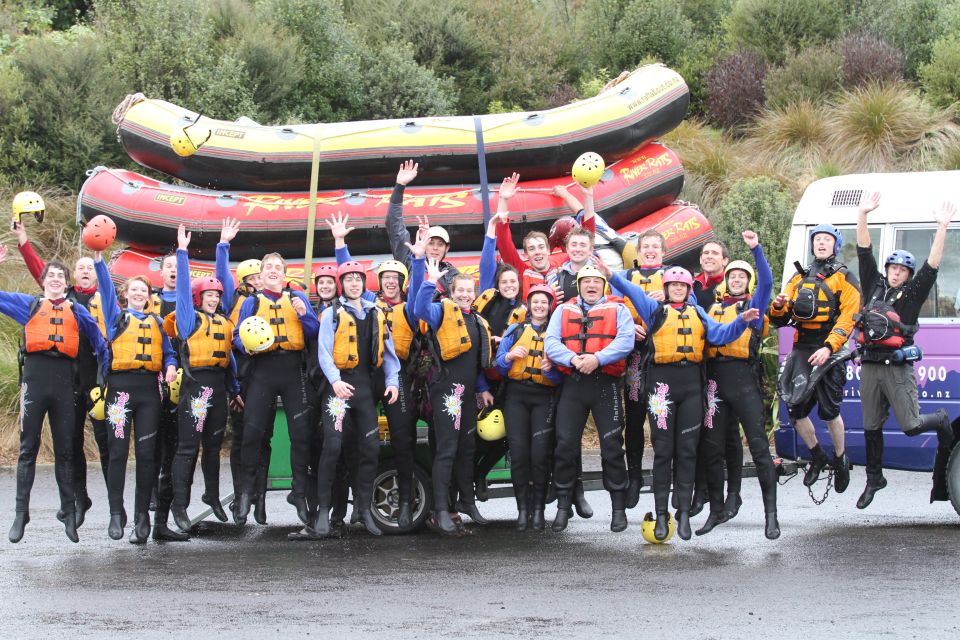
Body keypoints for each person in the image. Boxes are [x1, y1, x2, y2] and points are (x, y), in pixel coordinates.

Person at [607, 261, 758, 541]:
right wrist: (610, 275)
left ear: (688, 289)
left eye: (682, 285)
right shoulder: (654, 311)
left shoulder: (699, 313)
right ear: (665, 288)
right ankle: (661, 515)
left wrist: (742, 320)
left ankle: (685, 514)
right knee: (663, 451)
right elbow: (630, 289)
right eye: (673, 285)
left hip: (691, 387)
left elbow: (722, 334)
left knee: (687, 450)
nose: (677, 289)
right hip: (661, 388)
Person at [854, 193, 956, 508]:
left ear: (908, 275)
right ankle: (874, 479)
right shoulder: (873, 284)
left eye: (902, 270)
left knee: (911, 425)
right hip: (869, 366)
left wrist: (942, 227)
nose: (896, 272)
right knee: (870, 426)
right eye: (893, 268)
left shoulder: (912, 296)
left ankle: (939, 418)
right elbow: (863, 250)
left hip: (896, 368)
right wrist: (862, 214)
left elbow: (932, 266)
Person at [328, 212, 428, 531]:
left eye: (395, 278)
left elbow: (422, 289)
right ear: (379, 282)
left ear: (400, 282)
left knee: (402, 440)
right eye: (385, 278)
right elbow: (349, 277)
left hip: (396, 378)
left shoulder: (409, 307)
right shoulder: (369, 303)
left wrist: (421, 258)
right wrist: (341, 243)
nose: (389, 282)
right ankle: (357, 507)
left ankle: (402, 505)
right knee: (358, 441)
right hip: (366, 379)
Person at [0, 246, 107, 543]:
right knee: (28, 449)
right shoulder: (30, 306)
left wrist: (102, 378)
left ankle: (69, 514)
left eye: (61, 275)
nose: (56, 278)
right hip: (35, 381)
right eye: (52, 275)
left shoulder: (78, 310)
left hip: (64, 384)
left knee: (65, 451)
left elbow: (100, 343)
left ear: (66, 282)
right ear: (44, 281)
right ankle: (21, 514)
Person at [296, 260, 401, 539]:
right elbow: (323, 353)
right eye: (349, 279)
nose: (354, 283)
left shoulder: (377, 313)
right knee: (333, 447)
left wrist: (392, 383)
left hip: (365, 391)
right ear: (342, 284)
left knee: (370, 449)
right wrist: (335, 381)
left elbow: (389, 356)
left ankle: (364, 511)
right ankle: (322, 514)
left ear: (364, 284)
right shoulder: (331, 314)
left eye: (358, 279)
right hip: (339, 391)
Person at [94, 252, 179, 543]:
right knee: (117, 452)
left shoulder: (157, 323)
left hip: (148, 394)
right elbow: (105, 289)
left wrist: (170, 365)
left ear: (149, 296)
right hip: (119, 390)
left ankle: (142, 518)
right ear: (125, 295)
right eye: (134, 290)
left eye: (144, 291)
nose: (139, 294)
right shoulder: (116, 317)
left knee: (146, 456)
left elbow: (169, 352)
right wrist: (98, 261)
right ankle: (116, 513)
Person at [699, 231, 779, 539]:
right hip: (715, 384)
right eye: (731, 276)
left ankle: (770, 516)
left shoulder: (754, 309)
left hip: (744, 382)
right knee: (713, 447)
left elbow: (768, 282)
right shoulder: (713, 310)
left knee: (759, 448)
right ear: (725, 281)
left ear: (747, 283)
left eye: (741, 277)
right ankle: (716, 509)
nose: (735, 280)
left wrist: (756, 249)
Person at [771, 223, 861, 496]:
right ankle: (817, 455)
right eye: (817, 240)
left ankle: (841, 457)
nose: (821, 244)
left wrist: (829, 347)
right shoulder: (798, 278)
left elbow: (849, 318)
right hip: (802, 349)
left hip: (829, 352)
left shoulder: (844, 277)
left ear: (835, 244)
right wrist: (778, 306)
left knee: (829, 411)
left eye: (826, 240)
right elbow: (780, 319)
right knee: (794, 409)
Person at [232, 252, 320, 525]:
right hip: (263, 370)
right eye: (267, 267)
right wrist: (244, 345)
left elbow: (314, 331)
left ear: (284, 273)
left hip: (293, 370)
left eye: (277, 268)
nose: (272, 271)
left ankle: (300, 492)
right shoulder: (251, 302)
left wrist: (305, 315)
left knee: (301, 435)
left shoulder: (297, 299)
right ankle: (246, 493)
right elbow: (237, 335)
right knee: (253, 434)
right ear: (261, 274)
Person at [544, 265, 633, 533]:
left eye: (597, 281)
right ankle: (562, 507)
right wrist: (573, 359)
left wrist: (597, 359)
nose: (591, 285)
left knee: (612, 447)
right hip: (574, 383)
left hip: (605, 383)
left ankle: (618, 509)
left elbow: (626, 341)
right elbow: (551, 342)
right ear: (579, 285)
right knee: (565, 447)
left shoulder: (619, 309)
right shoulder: (563, 310)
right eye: (587, 282)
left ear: (603, 285)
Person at [167, 225, 242, 535]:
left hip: (218, 388)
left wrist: (234, 390)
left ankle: (211, 494)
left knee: (213, 446)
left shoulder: (224, 321)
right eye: (208, 295)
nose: (213, 299)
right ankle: (179, 505)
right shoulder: (188, 318)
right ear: (200, 298)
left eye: (216, 295)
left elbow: (229, 360)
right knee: (189, 448)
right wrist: (182, 253)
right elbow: (183, 290)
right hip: (196, 389)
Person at [413, 258, 495, 535]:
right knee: (447, 450)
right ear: (451, 292)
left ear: (474, 293)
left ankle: (467, 502)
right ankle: (440, 510)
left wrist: (482, 388)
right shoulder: (441, 312)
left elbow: (474, 361)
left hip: (468, 392)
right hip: (447, 391)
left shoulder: (476, 320)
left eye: (468, 291)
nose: (464, 295)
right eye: (459, 290)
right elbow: (419, 309)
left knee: (467, 449)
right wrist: (429, 281)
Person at [495, 284, 562, 531]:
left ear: (550, 306)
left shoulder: (556, 333)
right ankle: (522, 510)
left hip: (543, 397)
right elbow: (498, 366)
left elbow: (562, 376)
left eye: (544, 302)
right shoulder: (515, 330)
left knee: (539, 456)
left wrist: (552, 371)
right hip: (516, 397)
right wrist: (509, 357)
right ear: (529, 304)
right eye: (535, 301)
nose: (540, 306)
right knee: (520, 455)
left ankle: (538, 511)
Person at [612, 229, 669, 509]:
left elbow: (691, 306)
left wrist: (668, 296)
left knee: (660, 419)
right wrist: (627, 325)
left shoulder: (674, 276)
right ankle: (634, 477)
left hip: (659, 356)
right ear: (638, 251)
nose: (649, 251)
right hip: (635, 356)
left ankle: (663, 477)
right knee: (633, 419)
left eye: (655, 247)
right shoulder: (624, 278)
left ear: (663, 251)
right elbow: (610, 305)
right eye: (645, 246)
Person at [387, 160, 461, 295]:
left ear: (447, 248)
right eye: (431, 243)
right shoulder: (409, 261)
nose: (435, 248)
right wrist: (400, 186)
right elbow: (394, 226)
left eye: (440, 244)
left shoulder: (452, 273)